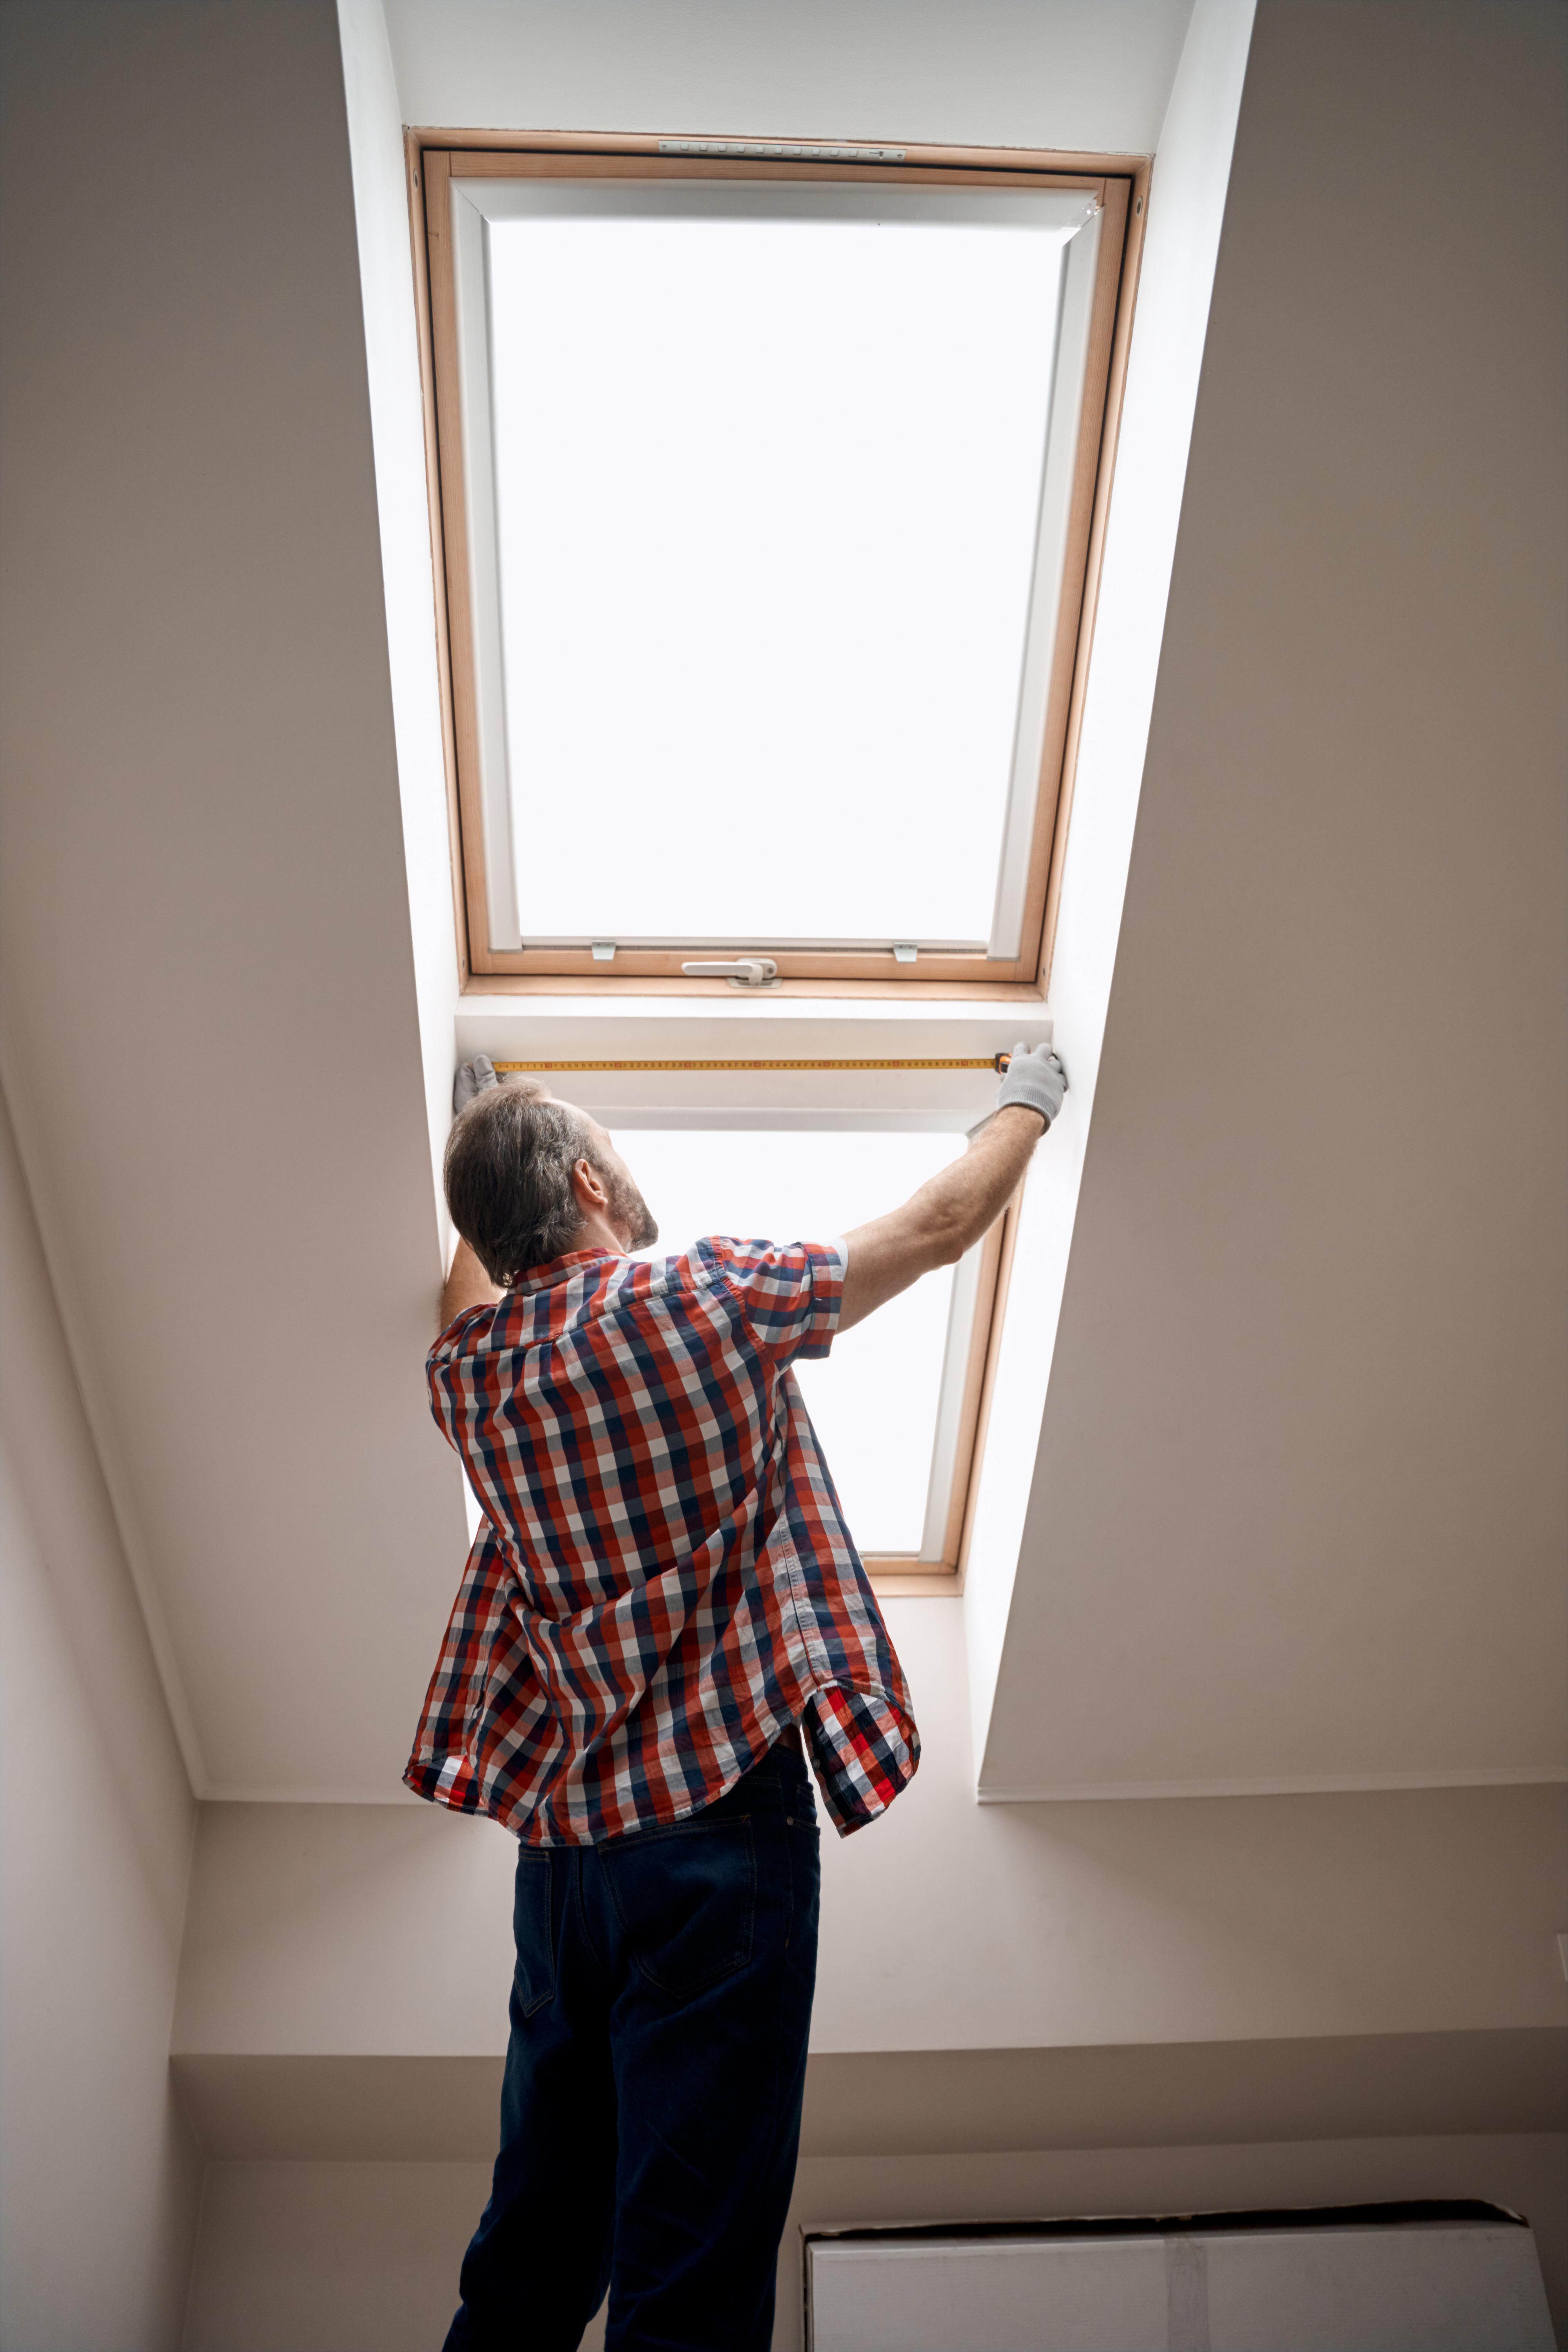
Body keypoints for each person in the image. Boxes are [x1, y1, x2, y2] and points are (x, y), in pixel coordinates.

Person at [408, 1044, 1069, 2351]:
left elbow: (465, 1294)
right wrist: (1030, 1095)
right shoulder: (707, 1297)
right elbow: (939, 1227)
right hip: (719, 1841)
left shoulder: (470, 1379)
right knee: (691, 2272)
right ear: (592, 1180)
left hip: (568, 1868)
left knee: (531, 2253)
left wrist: (474, 1124)